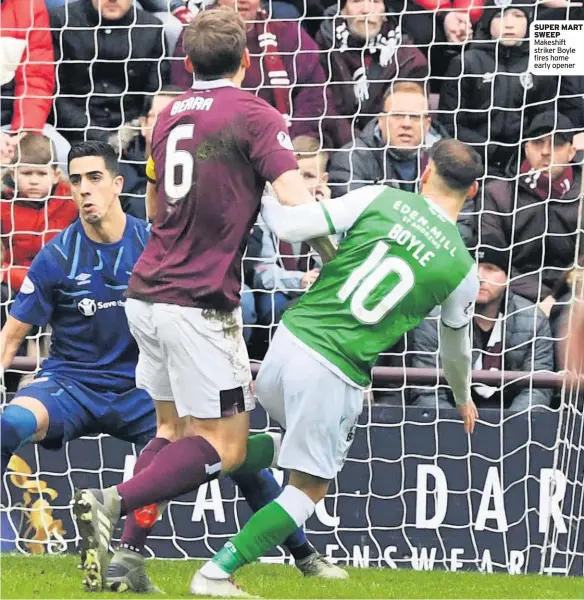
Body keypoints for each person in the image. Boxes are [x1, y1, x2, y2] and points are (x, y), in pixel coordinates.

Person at [71, 6, 337, 592]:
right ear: (247, 61)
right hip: (200, 302)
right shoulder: (255, 113)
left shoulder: (166, 117)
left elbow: (149, 199)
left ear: (188, 63)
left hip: (147, 290)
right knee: (227, 444)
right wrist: (331, 254)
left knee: (169, 431)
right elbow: (295, 204)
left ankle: (126, 561)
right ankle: (113, 499)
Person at [0, 141, 343, 593]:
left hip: (146, 388)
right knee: (9, 423)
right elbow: (11, 336)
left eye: (95, 178)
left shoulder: (155, 244)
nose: (85, 190)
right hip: (72, 384)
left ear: (119, 184)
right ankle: (115, 562)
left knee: (231, 456)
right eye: (77, 180)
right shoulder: (57, 257)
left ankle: (301, 554)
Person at [190, 138, 482, 597]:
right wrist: (462, 397)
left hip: (286, 344)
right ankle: (215, 574)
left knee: (286, 443)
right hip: (334, 368)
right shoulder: (463, 270)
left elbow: (289, 226)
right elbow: (455, 348)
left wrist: (262, 187)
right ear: (474, 191)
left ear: (426, 172)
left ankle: (190, 461)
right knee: (309, 488)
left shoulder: (382, 198)